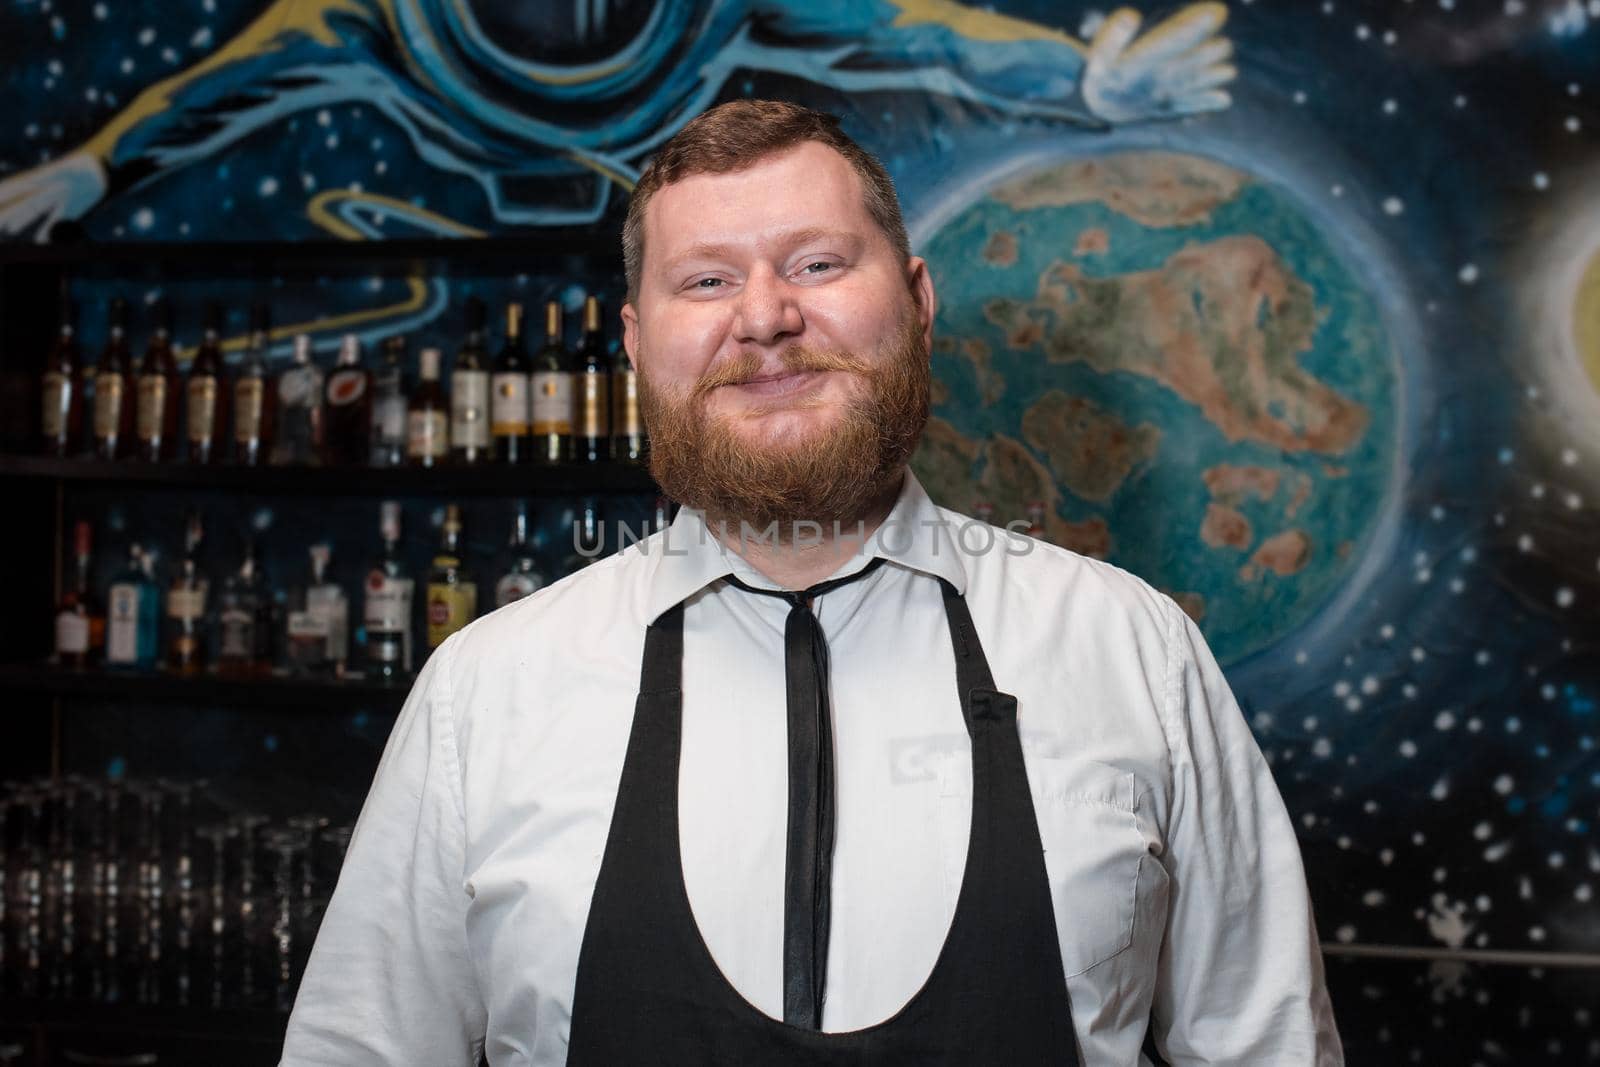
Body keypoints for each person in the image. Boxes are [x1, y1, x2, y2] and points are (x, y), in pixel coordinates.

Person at [281, 100, 1343, 1065]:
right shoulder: (489, 688)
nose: (764, 317)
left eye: (818, 265)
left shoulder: (1133, 651)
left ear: (918, 301)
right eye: (705, 280)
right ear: (638, 346)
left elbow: (1271, 1047)